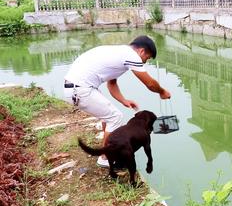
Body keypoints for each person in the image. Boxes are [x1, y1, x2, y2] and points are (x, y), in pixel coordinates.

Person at [63, 35, 171, 167]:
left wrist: (123, 100)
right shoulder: (132, 56)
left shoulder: (119, 53)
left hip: (76, 87)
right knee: (115, 117)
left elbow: (112, 84)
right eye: (147, 58)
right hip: (80, 90)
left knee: (107, 116)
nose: (144, 62)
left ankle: (106, 150)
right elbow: (150, 84)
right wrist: (162, 91)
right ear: (141, 51)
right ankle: (105, 158)